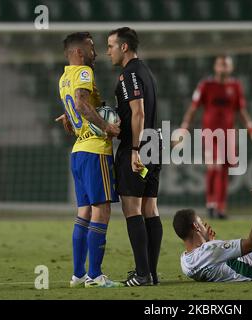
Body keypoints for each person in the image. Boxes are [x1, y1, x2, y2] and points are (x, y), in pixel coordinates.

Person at [56, 32, 121, 288]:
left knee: (84, 212)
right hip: (95, 150)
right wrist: (107, 126)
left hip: (78, 151)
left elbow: (73, 106)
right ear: (80, 53)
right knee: (101, 210)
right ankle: (95, 276)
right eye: (92, 48)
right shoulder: (84, 71)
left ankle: (78, 274)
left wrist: (69, 118)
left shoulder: (63, 78)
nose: (96, 53)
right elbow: (82, 104)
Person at [107, 27, 163, 286]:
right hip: (155, 143)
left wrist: (134, 150)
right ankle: (151, 273)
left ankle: (142, 274)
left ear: (124, 47)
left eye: (111, 46)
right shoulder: (145, 71)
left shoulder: (128, 75)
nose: (108, 51)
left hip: (137, 148)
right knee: (150, 208)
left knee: (132, 209)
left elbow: (138, 112)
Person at [180, 55, 252, 220]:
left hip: (229, 134)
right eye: (221, 65)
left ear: (231, 68)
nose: (223, 68)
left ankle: (220, 207)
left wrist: (251, 128)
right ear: (215, 67)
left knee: (223, 169)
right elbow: (194, 108)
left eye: (226, 65)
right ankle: (211, 203)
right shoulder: (206, 85)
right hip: (210, 134)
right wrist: (184, 126)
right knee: (214, 166)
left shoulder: (235, 86)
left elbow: (241, 111)